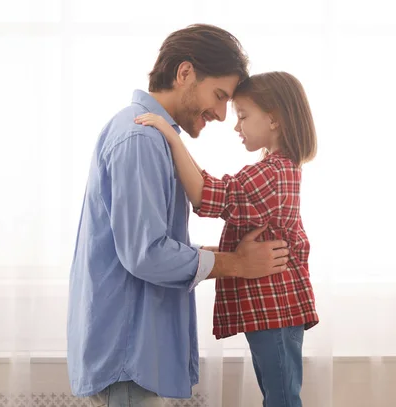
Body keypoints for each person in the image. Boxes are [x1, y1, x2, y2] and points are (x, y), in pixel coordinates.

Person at [67, 24, 290, 407]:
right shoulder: (141, 138)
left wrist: (226, 254)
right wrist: (236, 263)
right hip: (128, 359)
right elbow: (146, 254)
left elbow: (145, 243)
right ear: (185, 73)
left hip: (133, 357)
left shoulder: (149, 135)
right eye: (219, 96)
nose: (221, 114)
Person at [135, 71, 319, 407]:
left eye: (244, 117)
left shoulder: (272, 173)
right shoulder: (277, 168)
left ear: (274, 119)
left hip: (275, 308)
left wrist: (174, 141)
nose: (237, 126)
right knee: (279, 394)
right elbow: (213, 189)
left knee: (281, 397)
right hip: (272, 309)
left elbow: (208, 196)